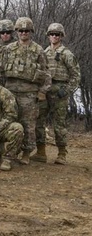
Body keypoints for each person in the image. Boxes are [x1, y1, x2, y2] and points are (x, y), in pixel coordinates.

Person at [0, 17, 50, 165]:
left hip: (29, 93)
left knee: (28, 125)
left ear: (31, 32)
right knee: (9, 122)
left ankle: (26, 153)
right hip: (10, 91)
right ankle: (9, 151)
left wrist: (42, 92)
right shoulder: (9, 49)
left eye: (26, 31)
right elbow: (1, 70)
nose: (23, 33)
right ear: (17, 32)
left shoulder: (38, 50)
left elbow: (46, 73)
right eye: (21, 30)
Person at [41, 23, 80, 164]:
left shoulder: (67, 54)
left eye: (57, 34)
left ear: (61, 36)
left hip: (60, 90)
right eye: (51, 34)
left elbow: (76, 75)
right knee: (39, 121)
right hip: (46, 89)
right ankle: (41, 151)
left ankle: (62, 153)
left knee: (59, 124)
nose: (54, 36)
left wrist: (67, 90)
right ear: (48, 36)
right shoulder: (45, 53)